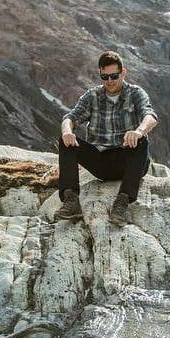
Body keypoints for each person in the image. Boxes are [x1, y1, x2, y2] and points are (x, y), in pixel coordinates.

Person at [54, 50, 158, 226]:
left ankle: (122, 202)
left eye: (114, 76)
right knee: (66, 141)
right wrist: (67, 132)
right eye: (105, 77)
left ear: (123, 72)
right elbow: (70, 118)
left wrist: (139, 131)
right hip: (101, 162)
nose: (109, 81)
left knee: (141, 141)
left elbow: (150, 116)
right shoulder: (92, 96)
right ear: (100, 74)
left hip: (128, 160)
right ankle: (71, 201)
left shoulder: (135, 93)